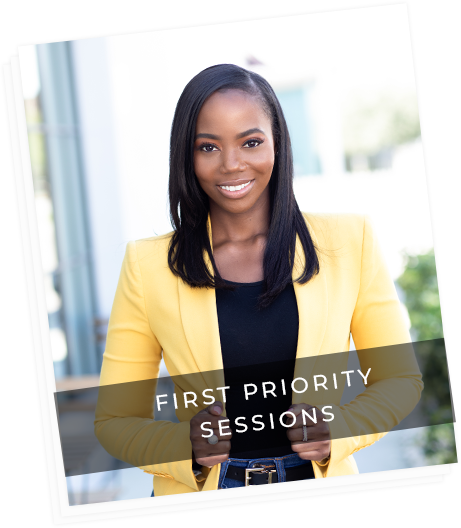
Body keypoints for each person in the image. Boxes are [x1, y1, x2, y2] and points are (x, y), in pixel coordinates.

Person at [94, 64, 423, 508]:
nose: (231, 164)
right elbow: (115, 419)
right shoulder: (147, 265)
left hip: (318, 498)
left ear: (278, 143)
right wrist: (184, 446)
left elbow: (400, 378)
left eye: (251, 142)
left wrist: (337, 430)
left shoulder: (350, 241)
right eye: (208, 147)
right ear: (186, 156)